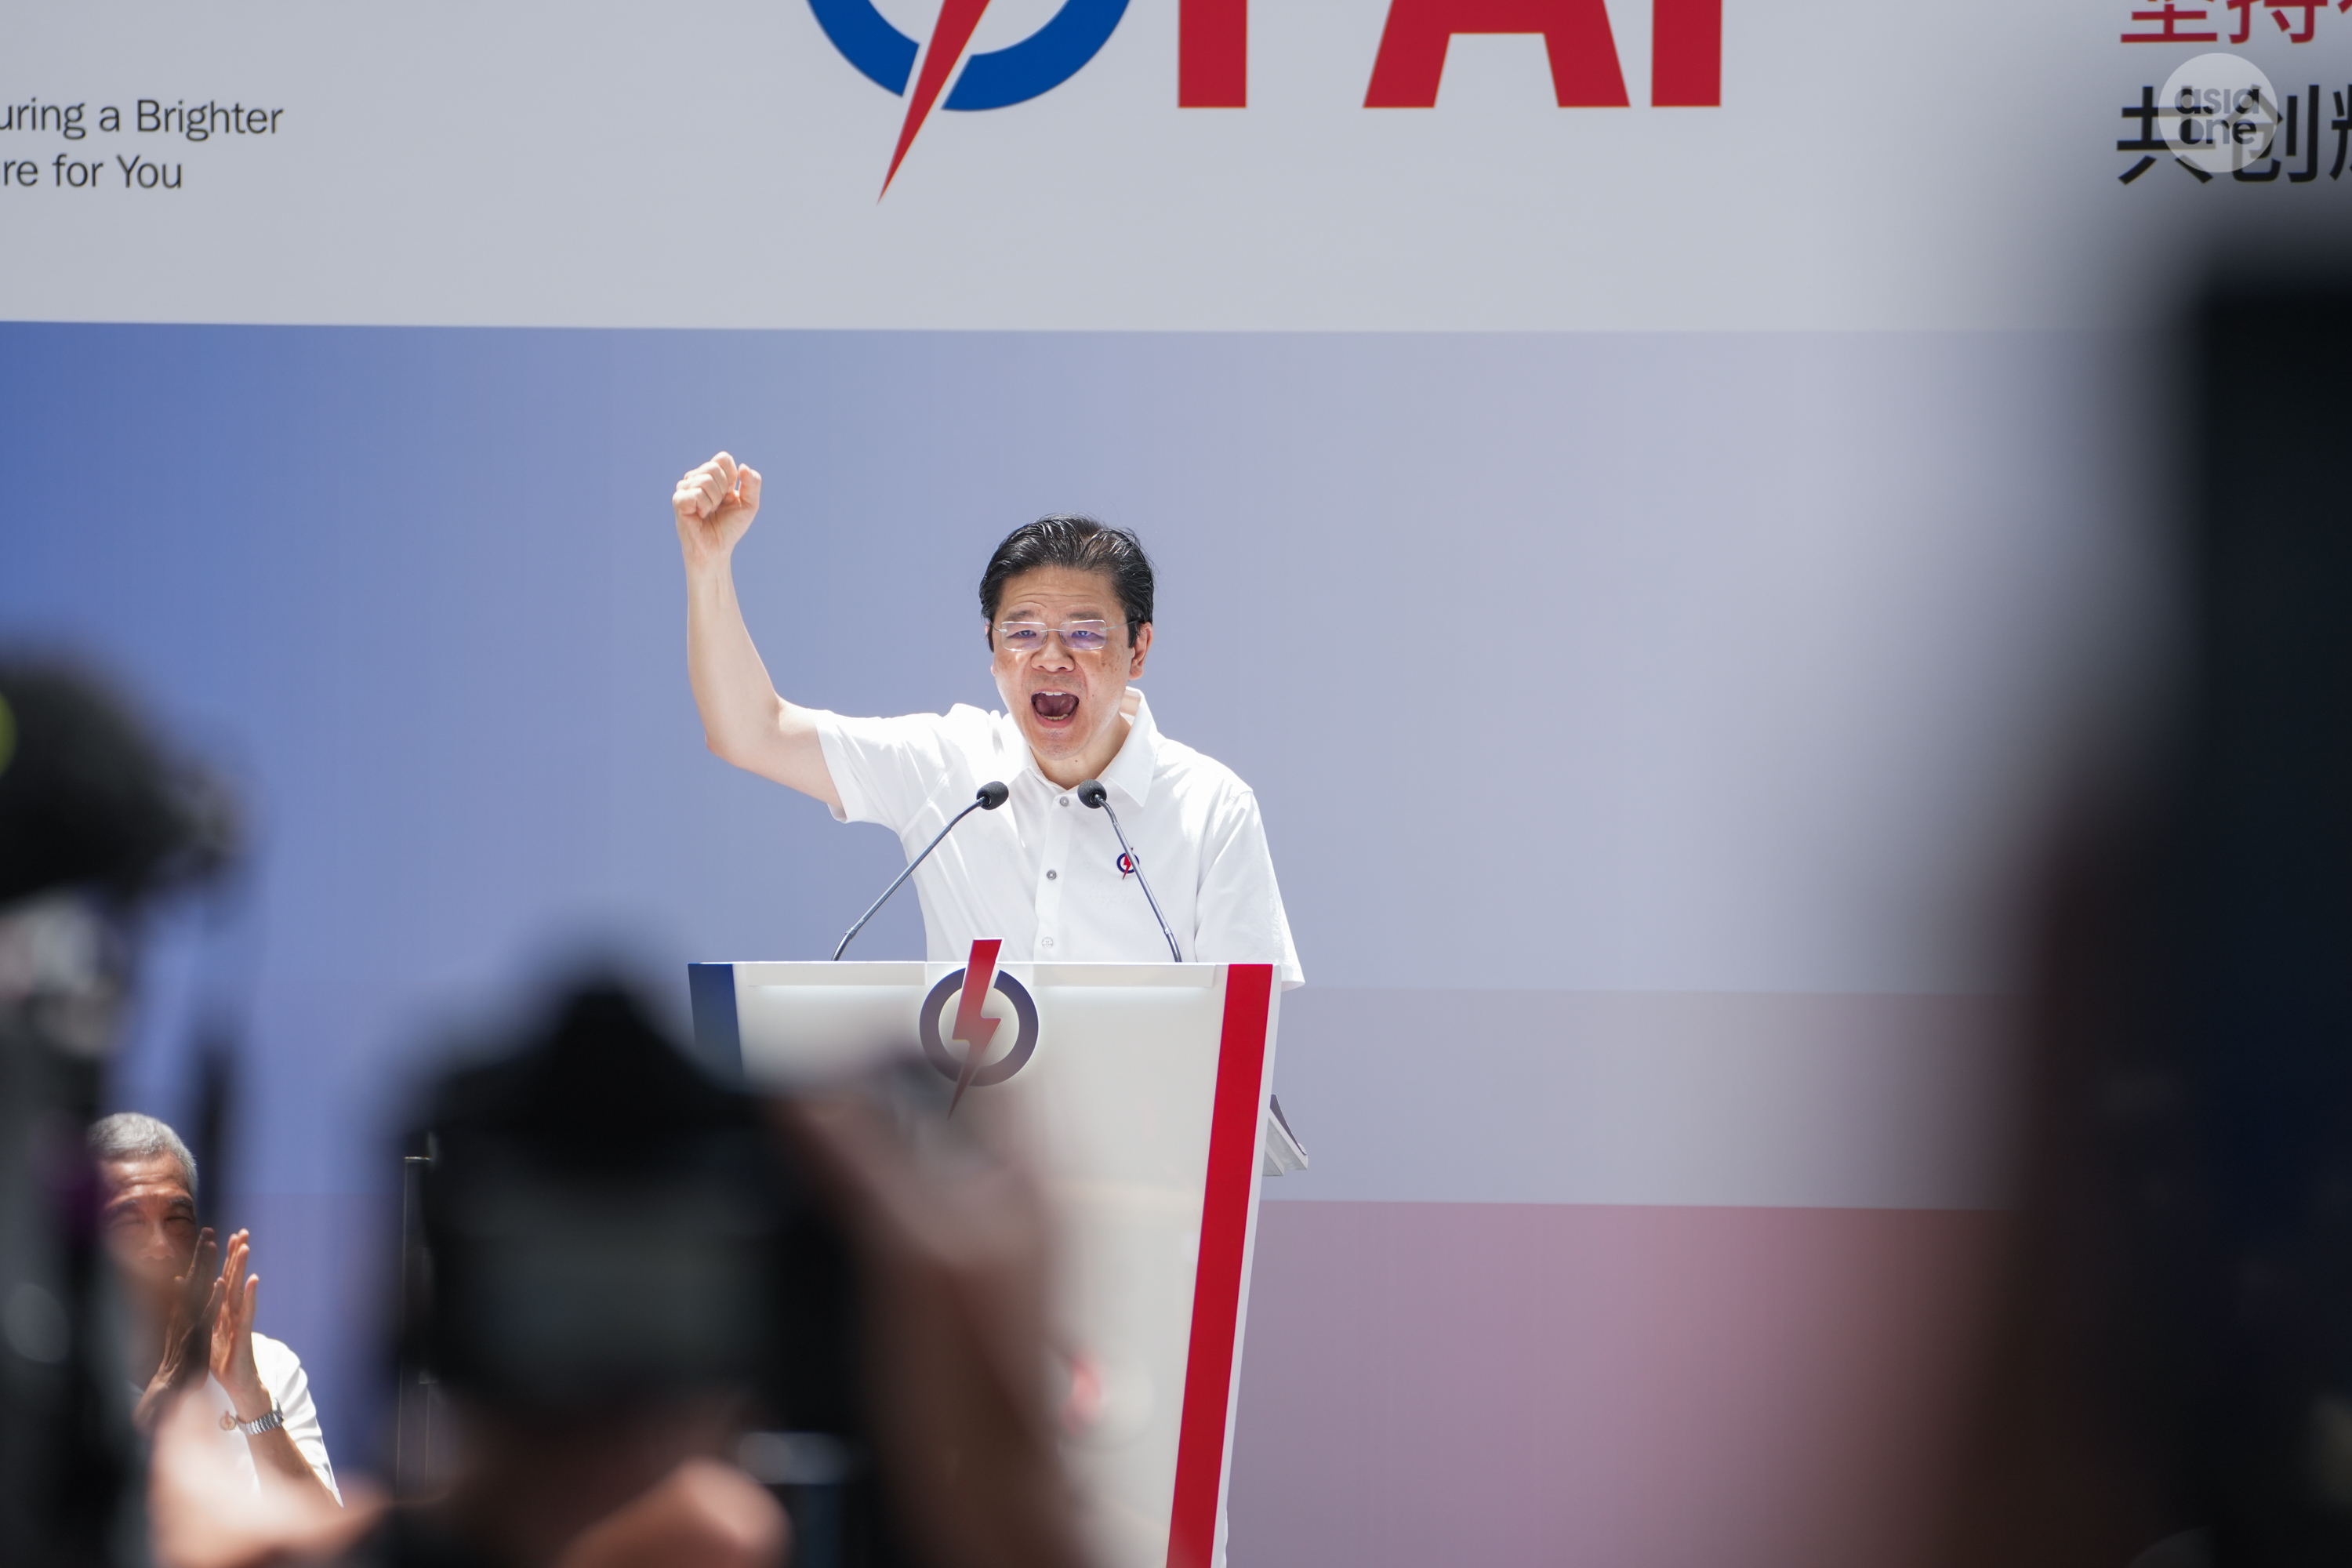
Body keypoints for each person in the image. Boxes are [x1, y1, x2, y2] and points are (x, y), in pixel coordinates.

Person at [672, 452, 1302, 985]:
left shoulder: (1212, 807)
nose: (1050, 657)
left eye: (1084, 633)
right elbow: (751, 731)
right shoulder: (950, 768)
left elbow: (1247, 1026)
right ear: (993, 651)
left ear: (1138, 650)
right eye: (1022, 632)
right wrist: (708, 564)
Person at [90, 1112, 342, 1508]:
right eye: (129, 1221)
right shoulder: (62, 1379)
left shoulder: (267, 1366)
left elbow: (324, 1531)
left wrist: (249, 1395)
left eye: (177, 1219)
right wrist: (168, 1382)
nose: (160, 1247)